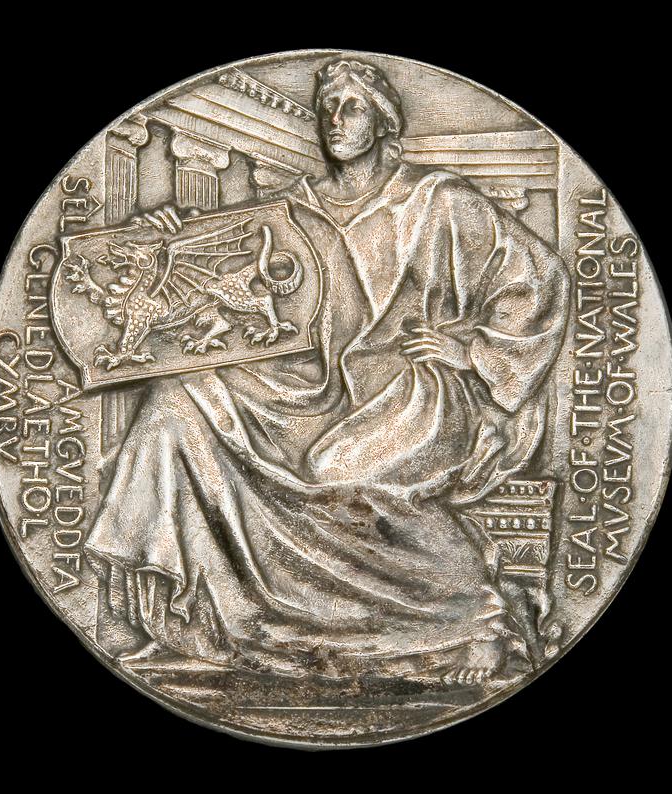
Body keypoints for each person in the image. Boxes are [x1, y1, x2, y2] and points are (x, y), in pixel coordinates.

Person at [85, 59, 569, 685]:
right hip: (302, 385)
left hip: (410, 386)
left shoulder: (439, 201)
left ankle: (465, 615)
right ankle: (193, 620)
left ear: (384, 121)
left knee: (334, 472)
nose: (335, 121)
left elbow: (539, 281)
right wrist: (165, 241)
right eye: (326, 108)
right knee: (175, 403)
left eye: (351, 107)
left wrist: (472, 350)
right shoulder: (292, 207)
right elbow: (215, 271)